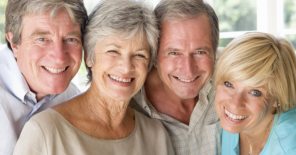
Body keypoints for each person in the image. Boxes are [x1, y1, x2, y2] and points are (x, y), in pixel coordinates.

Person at [13, 0, 174, 154]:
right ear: (89, 56)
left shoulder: (157, 135)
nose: (126, 67)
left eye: (139, 55)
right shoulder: (44, 131)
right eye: (113, 51)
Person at [129, 0, 220, 154]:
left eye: (200, 52)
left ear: (214, 53)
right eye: (174, 53)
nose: (188, 70)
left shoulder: (231, 83)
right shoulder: (128, 104)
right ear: (154, 56)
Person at [0, 0, 87, 154]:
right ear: (14, 43)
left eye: (71, 39)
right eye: (42, 39)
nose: (59, 57)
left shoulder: (73, 98)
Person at [215, 32, 296, 155]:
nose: (234, 104)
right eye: (229, 84)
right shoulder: (231, 121)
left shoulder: (293, 147)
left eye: (255, 92)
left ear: (279, 97)